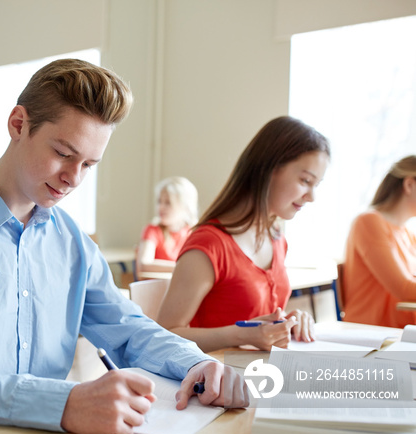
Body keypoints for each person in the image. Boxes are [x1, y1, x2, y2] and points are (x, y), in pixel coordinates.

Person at [0, 59, 248, 434]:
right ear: (18, 125)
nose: (73, 178)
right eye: (63, 153)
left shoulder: (72, 241)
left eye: (89, 164)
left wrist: (194, 363)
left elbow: (127, 329)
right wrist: (61, 404)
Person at [157, 116, 330, 352]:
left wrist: (289, 321)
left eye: (316, 185)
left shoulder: (277, 239)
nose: (311, 196)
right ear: (270, 169)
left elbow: (261, 321)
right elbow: (166, 336)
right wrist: (240, 335)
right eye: (305, 181)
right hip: (216, 380)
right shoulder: (209, 245)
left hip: (263, 376)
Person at [343, 155, 416, 328]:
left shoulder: (408, 234)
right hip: (373, 336)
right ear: (410, 185)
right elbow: (404, 289)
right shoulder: (369, 222)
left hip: (399, 334)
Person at [137, 176, 198, 275]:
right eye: (159, 201)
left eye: (168, 203)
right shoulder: (152, 230)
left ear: (185, 207)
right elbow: (144, 264)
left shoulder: (192, 232)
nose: (161, 207)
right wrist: (182, 268)